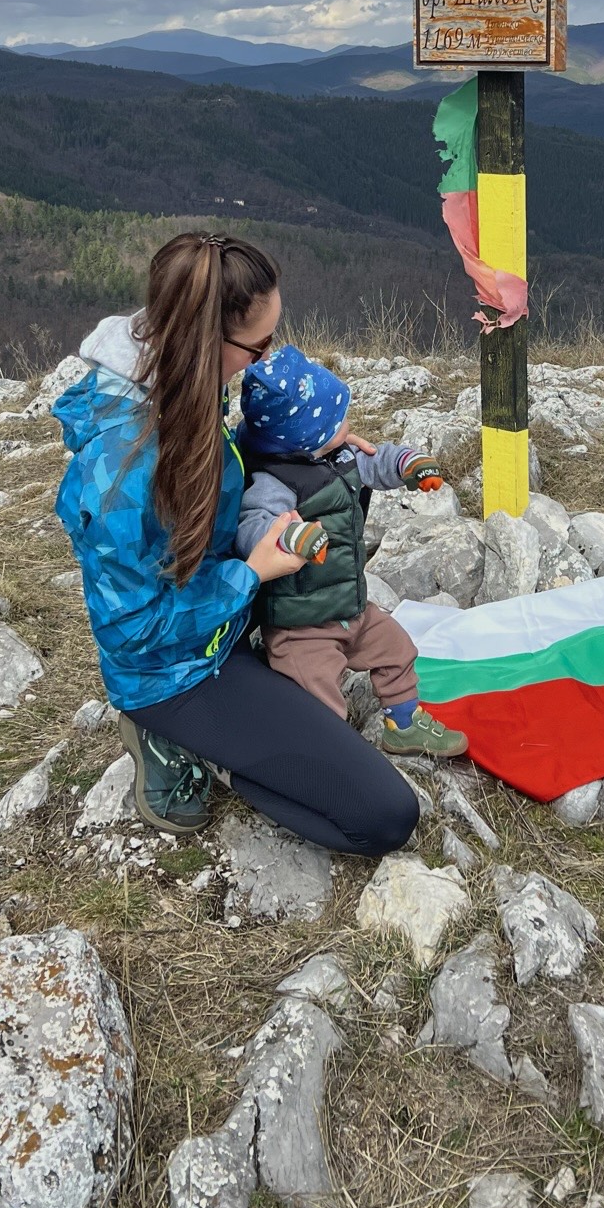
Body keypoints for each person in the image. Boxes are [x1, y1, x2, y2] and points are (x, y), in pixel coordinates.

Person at [54, 233, 420, 854]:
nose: (263, 361)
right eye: (259, 345)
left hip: (228, 623)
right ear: (208, 340)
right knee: (384, 817)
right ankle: (173, 738)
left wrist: (317, 452)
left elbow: (225, 475)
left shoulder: (182, 373)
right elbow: (131, 630)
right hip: (175, 673)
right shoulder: (121, 472)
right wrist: (250, 575)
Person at [233, 345, 468, 758]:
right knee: (319, 698)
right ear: (305, 436)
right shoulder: (275, 482)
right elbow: (254, 526)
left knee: (398, 649)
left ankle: (403, 725)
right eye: (337, 419)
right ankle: (327, 758)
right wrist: (292, 536)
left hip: (351, 609)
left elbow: (378, 459)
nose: (348, 422)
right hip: (300, 628)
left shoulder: (337, 454)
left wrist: (409, 464)